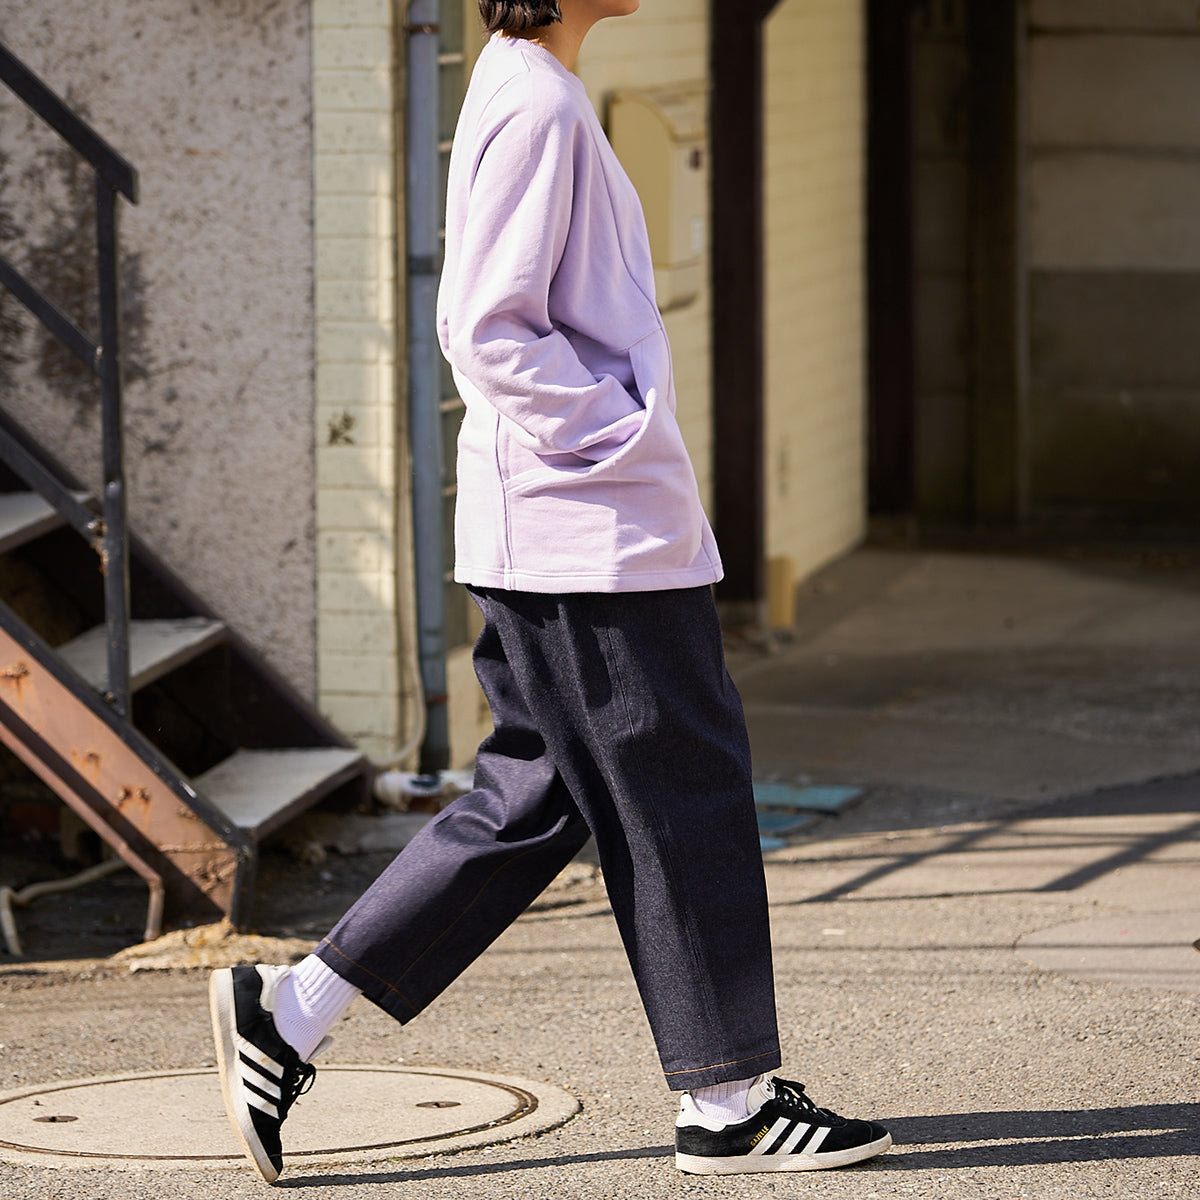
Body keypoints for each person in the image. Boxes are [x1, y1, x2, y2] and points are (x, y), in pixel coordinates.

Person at [209, 0, 891, 1183]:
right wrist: (621, 441)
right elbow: (486, 328)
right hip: (589, 542)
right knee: (683, 794)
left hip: (563, 539)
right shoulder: (536, 103)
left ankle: (292, 1011)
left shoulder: (524, 84)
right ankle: (728, 1103)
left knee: (531, 802)